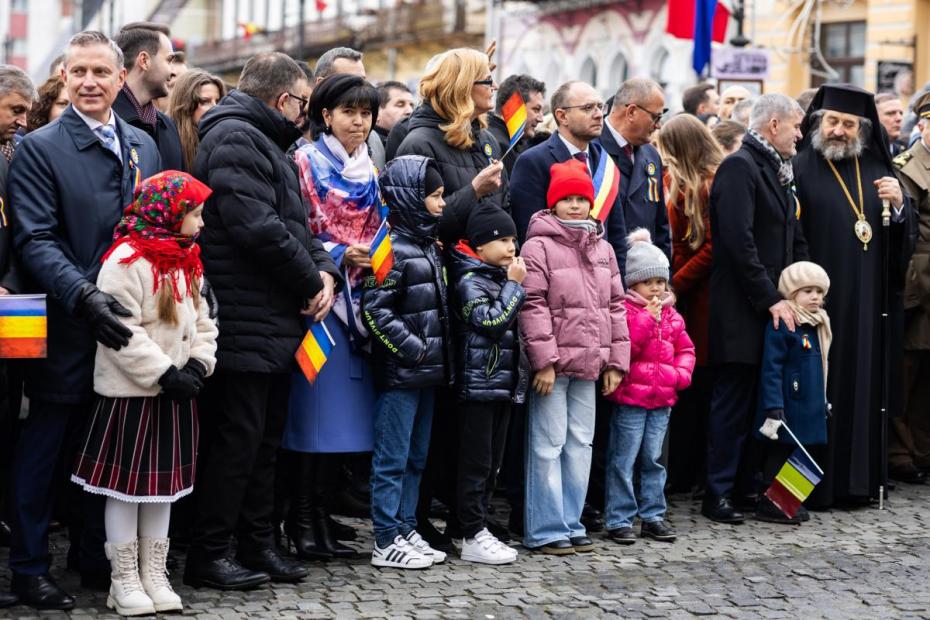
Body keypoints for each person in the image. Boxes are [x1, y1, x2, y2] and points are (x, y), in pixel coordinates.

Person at [9, 30, 162, 609]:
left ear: (122, 78)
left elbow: (155, 230)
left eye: (100, 72)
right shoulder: (40, 147)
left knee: (106, 449)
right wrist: (84, 296)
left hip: (126, 328)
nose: (89, 82)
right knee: (46, 448)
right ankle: (28, 567)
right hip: (66, 322)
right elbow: (35, 239)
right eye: (79, 72)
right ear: (64, 76)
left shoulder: (143, 144)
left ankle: (95, 556)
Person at [183, 51, 339, 590]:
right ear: (284, 98)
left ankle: (257, 543)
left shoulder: (267, 142)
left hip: (270, 319)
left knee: (263, 442)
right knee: (237, 443)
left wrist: (325, 272)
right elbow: (257, 226)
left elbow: (298, 226)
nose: (305, 114)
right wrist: (309, 279)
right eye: (303, 103)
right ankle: (210, 553)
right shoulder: (236, 137)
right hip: (244, 317)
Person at [71, 170, 217, 615]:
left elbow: (204, 320)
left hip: (174, 396)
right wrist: (164, 374)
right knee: (125, 490)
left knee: (162, 490)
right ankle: (124, 579)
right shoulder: (126, 259)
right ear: (170, 213)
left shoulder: (187, 257)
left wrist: (197, 363)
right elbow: (122, 333)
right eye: (196, 214)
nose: (201, 223)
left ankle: (154, 573)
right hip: (132, 396)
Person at [793, 84, 915, 507]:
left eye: (848, 124)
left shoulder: (879, 167)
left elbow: (900, 241)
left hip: (867, 306)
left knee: (862, 387)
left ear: (862, 129)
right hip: (817, 304)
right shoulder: (801, 167)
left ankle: (857, 484)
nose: (839, 131)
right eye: (832, 121)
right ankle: (809, 489)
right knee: (816, 393)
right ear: (818, 122)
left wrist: (900, 207)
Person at [284, 73, 382, 560]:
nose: (358, 123)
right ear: (325, 114)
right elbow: (297, 227)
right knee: (312, 416)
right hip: (320, 302)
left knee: (343, 423)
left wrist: (376, 253)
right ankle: (301, 520)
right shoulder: (305, 161)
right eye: (348, 112)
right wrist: (339, 254)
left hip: (361, 305)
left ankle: (322, 516)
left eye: (366, 114)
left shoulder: (369, 168)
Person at [703, 93, 808, 524]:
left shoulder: (776, 169)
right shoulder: (740, 167)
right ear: (774, 125)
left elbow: (791, 236)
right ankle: (717, 493)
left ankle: (747, 486)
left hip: (771, 307)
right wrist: (771, 298)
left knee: (757, 405)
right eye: (796, 125)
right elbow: (738, 243)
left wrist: (803, 285)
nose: (800, 134)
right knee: (733, 403)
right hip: (741, 309)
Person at [519, 158, 629, 555]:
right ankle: (546, 527)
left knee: (580, 444)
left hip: (589, 365)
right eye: (566, 199)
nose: (574, 205)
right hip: (554, 366)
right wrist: (544, 361)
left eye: (581, 198)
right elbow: (532, 303)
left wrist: (615, 362)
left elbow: (616, 306)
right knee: (548, 444)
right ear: (553, 203)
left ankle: (571, 521)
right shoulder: (538, 246)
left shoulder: (603, 248)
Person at [362, 154, 451, 569]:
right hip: (402, 374)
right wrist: (414, 349)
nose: (442, 203)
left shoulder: (428, 245)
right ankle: (385, 538)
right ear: (411, 196)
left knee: (417, 457)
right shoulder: (391, 248)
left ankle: (405, 525)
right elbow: (375, 310)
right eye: (435, 195)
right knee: (392, 458)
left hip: (426, 373)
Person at [604, 229, 695, 544]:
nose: (655, 288)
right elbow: (626, 348)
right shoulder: (626, 312)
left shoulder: (673, 316)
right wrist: (646, 319)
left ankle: (653, 515)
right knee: (624, 459)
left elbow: (686, 349)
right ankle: (619, 518)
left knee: (653, 460)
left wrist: (679, 375)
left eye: (660, 281)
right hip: (631, 399)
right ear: (633, 284)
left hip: (662, 400)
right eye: (648, 282)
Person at [449, 209, 526, 564]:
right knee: (476, 463)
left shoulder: (496, 276)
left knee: (492, 462)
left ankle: (475, 526)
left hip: (499, 384)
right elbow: (491, 323)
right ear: (479, 245)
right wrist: (514, 286)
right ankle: (471, 533)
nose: (512, 247)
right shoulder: (470, 281)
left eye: (513, 240)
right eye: (503, 240)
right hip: (478, 386)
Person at [656, 114, 723, 493]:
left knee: (696, 380)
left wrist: (676, 283)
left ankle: (688, 472)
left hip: (697, 293)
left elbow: (711, 246)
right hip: (681, 285)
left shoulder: (705, 184)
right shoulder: (676, 180)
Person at [396, 47, 508, 245]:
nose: (496, 86)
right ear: (463, 86)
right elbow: (415, 227)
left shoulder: (487, 139)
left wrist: (510, 249)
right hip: (448, 263)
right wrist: (474, 191)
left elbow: (505, 206)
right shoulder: (418, 144)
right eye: (488, 80)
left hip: (492, 263)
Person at [510, 81, 627, 263]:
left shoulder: (605, 162)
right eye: (588, 108)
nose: (598, 115)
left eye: (600, 107)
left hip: (601, 275)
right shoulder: (533, 161)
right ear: (562, 116)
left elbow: (617, 237)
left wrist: (617, 280)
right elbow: (529, 234)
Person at [754, 261, 831, 525]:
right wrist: (773, 405)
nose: (815, 297)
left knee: (803, 453)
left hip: (809, 404)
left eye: (819, 292)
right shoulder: (783, 324)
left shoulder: (818, 324)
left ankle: (787, 500)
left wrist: (823, 401)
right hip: (787, 404)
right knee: (781, 452)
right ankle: (770, 502)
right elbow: (772, 368)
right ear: (791, 293)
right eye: (807, 291)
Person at [0, 63, 34, 611]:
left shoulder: (12, 157)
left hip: (14, 306)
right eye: (14, 109)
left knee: (9, 416)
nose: (23, 121)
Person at [890, 92, 930, 483]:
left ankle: (922, 449)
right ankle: (901, 453)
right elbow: (909, 229)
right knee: (907, 371)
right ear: (921, 126)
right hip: (919, 285)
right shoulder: (907, 167)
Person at [599, 78, 671, 258]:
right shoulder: (593, 149)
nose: (658, 125)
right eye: (655, 117)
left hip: (645, 269)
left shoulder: (651, 155)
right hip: (606, 265)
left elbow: (660, 225)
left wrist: (664, 270)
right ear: (631, 112)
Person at [112, 22, 184, 171]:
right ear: (144, 60)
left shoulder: (167, 126)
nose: (173, 72)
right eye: (169, 60)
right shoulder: (107, 122)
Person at [314, 47, 385, 169]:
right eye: (347, 81)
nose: (359, 88)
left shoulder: (373, 139)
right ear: (321, 84)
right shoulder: (301, 141)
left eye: (362, 80)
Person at [166, 69, 226, 171]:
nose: (215, 108)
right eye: (205, 101)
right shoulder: (165, 140)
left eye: (218, 101)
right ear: (186, 105)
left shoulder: (225, 138)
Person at [486, 74, 546, 175]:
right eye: (536, 109)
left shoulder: (516, 143)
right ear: (514, 107)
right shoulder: (498, 145)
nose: (541, 119)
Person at [374, 80, 414, 147]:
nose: (410, 111)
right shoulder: (366, 146)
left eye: (411, 105)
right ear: (377, 112)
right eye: (400, 105)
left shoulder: (412, 140)